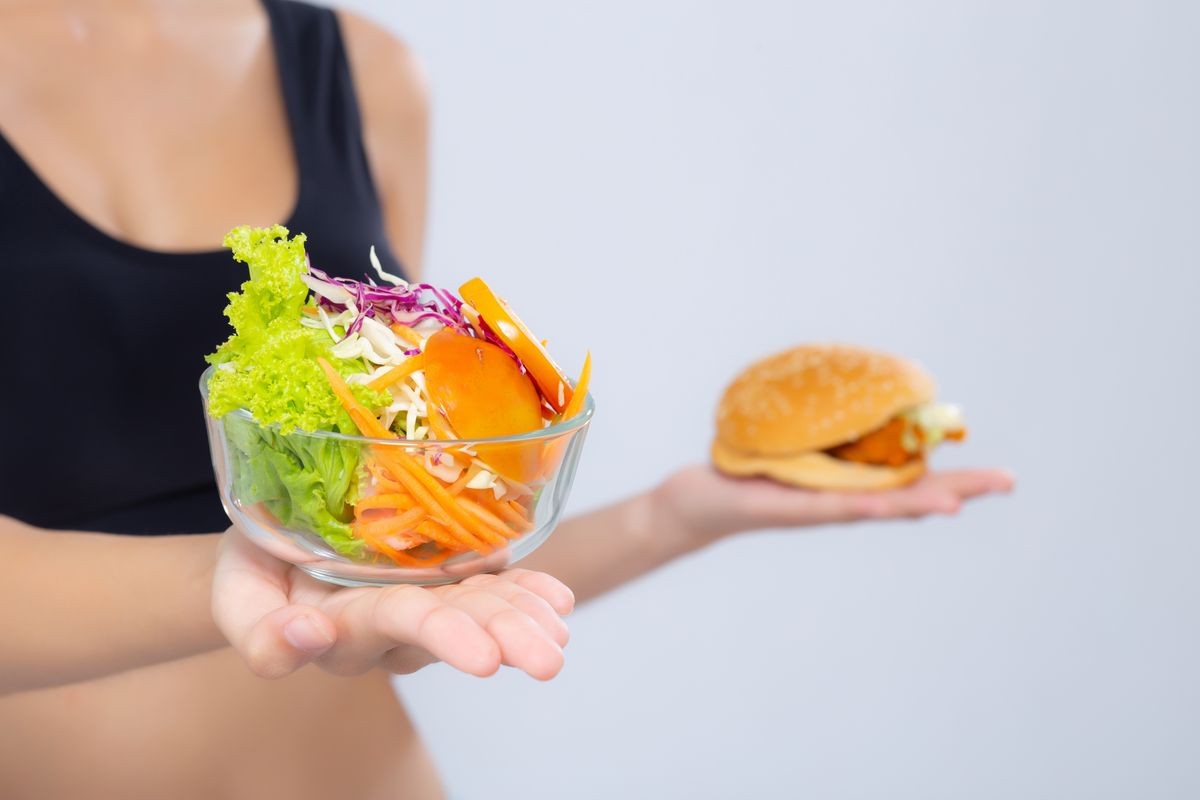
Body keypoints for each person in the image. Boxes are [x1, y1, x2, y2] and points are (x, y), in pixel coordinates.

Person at [0, 1, 1013, 797]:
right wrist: (253, 579)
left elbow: (418, 535)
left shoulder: (366, 75)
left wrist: (678, 512)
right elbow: (330, 582)